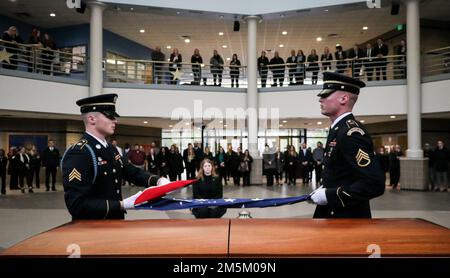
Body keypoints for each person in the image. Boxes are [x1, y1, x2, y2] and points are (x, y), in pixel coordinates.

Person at [61, 93, 169, 220]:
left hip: (114, 222)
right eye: (110, 116)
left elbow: (130, 171)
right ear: (91, 119)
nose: (115, 121)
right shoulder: (80, 153)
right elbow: (77, 205)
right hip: (92, 228)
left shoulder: (110, 148)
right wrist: (121, 205)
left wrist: (158, 181)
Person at [310, 72, 385, 218]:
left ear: (344, 98)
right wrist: (326, 187)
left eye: (325, 95)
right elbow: (342, 173)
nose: (320, 99)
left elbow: (374, 184)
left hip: (347, 218)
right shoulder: (339, 129)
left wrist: (329, 195)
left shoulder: (352, 133)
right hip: (334, 213)